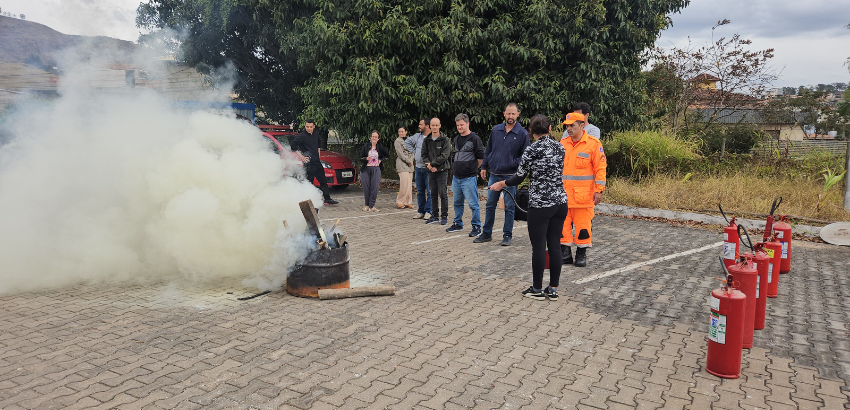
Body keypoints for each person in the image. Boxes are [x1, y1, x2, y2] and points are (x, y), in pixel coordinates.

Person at [489, 114, 567, 301]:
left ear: (531, 132)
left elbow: (519, 177)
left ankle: (537, 289)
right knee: (555, 245)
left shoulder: (531, 150)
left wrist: (501, 184)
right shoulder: (561, 148)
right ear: (549, 129)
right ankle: (553, 289)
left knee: (539, 247)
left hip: (540, 205)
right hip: (560, 203)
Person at [477, 102, 530, 246]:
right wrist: (484, 166)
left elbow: (525, 156)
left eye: (513, 113)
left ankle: (507, 235)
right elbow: (489, 150)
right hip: (494, 174)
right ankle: (486, 233)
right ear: (504, 114)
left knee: (509, 206)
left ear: (518, 114)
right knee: (489, 204)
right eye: (508, 113)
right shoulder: (496, 130)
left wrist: (512, 162)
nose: (511, 116)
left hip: (511, 176)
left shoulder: (522, 133)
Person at [559, 112, 607, 267]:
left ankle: (581, 255)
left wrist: (599, 190)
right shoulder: (563, 143)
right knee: (562, 228)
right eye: (567, 126)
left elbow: (600, 168)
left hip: (583, 198)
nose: (569, 128)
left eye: (572, 125)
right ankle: (565, 254)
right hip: (563, 197)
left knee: (583, 229)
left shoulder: (593, 144)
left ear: (582, 125)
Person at [446, 114, 485, 236]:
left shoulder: (474, 138)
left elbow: (480, 157)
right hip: (456, 177)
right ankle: (458, 223)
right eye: (457, 125)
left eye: (462, 124)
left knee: (473, 204)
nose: (459, 127)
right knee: (457, 202)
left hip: (469, 177)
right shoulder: (457, 138)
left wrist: (472, 169)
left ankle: (476, 226)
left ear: (468, 124)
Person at [292, 119, 338, 205]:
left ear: (314, 126)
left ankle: (327, 199)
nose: (309, 128)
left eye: (310, 127)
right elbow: (293, 146)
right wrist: (302, 157)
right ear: (305, 126)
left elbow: (318, 146)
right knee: (309, 182)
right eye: (307, 127)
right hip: (308, 162)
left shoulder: (316, 134)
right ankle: (307, 200)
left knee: (323, 180)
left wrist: (318, 156)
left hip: (317, 161)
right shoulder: (302, 136)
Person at [420, 117, 451, 225]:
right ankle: (435, 216)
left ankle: (444, 216)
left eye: (436, 125)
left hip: (442, 170)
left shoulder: (445, 140)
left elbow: (445, 155)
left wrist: (433, 164)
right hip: (430, 171)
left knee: (443, 194)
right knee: (432, 194)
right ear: (429, 126)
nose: (434, 127)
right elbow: (423, 154)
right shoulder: (426, 140)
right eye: (433, 125)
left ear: (440, 126)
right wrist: (429, 165)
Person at [405, 119, 433, 219]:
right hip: (418, 168)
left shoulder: (433, 136)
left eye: (421, 124)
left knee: (430, 191)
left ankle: (429, 211)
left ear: (427, 126)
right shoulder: (417, 136)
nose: (419, 126)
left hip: (429, 169)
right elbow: (407, 143)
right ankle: (421, 211)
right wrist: (415, 152)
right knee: (420, 191)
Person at [358, 130, 390, 212]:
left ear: (378, 138)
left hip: (376, 168)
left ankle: (372, 206)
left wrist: (380, 160)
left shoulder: (380, 147)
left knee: (374, 188)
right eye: (373, 136)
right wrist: (366, 158)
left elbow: (387, 155)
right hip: (366, 169)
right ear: (370, 137)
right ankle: (367, 205)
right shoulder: (366, 146)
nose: (374, 138)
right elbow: (360, 157)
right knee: (366, 188)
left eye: (376, 137)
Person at [394, 126, 415, 208]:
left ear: (406, 132)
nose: (401, 133)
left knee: (409, 184)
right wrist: (409, 161)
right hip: (402, 164)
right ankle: (400, 201)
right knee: (404, 184)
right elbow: (400, 154)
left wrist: (411, 160)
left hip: (410, 164)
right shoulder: (397, 141)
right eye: (399, 132)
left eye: (402, 131)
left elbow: (413, 151)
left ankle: (407, 201)